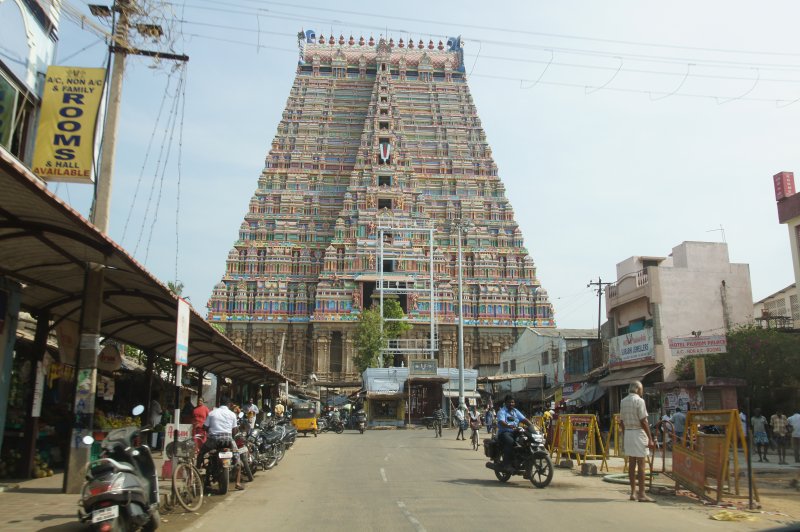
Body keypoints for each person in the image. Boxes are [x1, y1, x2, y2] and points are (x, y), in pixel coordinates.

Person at [619, 381, 655, 503]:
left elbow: (621, 422)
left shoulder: (623, 401)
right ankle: (642, 494)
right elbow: (644, 421)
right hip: (638, 433)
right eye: (642, 389)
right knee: (641, 465)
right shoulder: (640, 401)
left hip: (628, 433)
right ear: (638, 389)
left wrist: (625, 435)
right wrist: (650, 438)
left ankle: (633, 492)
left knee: (631, 463)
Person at [198, 397, 244, 490]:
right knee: (237, 458)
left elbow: (205, 427)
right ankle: (238, 483)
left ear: (219, 403)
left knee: (201, 453)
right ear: (229, 404)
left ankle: (196, 474)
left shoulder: (212, 413)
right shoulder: (232, 414)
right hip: (228, 441)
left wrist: (209, 429)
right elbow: (234, 430)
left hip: (213, 440)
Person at [496, 395, 533, 472]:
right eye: (509, 402)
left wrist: (531, 425)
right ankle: (507, 464)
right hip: (505, 432)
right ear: (505, 403)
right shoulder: (502, 411)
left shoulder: (515, 411)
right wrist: (508, 426)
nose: (511, 403)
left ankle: (525, 464)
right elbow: (501, 421)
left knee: (526, 442)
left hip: (516, 432)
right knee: (511, 442)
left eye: (512, 402)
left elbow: (524, 419)